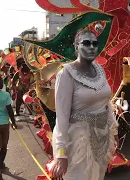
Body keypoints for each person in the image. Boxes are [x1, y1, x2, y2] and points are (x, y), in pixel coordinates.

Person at [50, 29, 119, 180]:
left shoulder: (100, 70)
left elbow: (106, 102)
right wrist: (61, 152)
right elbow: (61, 115)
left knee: (98, 176)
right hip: (78, 140)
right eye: (86, 43)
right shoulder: (66, 74)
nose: (92, 47)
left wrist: (113, 128)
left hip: (103, 136)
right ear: (76, 47)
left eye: (95, 43)